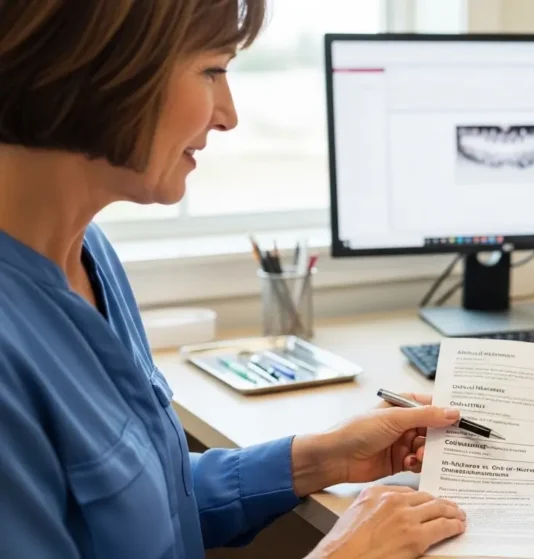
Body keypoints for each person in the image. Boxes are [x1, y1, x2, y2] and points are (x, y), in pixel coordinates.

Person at [0, 2, 465, 558]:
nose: (228, 115)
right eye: (212, 71)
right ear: (104, 64)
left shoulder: (87, 253)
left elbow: (139, 508)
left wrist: (321, 457)